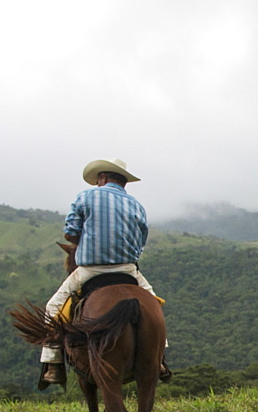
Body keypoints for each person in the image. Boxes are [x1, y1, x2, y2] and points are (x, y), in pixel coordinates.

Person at [38, 157, 171, 388]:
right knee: (154, 305)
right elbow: (140, 242)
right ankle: (159, 360)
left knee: (52, 308)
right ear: (124, 182)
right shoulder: (137, 205)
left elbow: (70, 234)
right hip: (128, 270)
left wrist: (88, 239)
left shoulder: (85, 197)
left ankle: (53, 364)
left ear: (102, 178)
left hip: (91, 270)